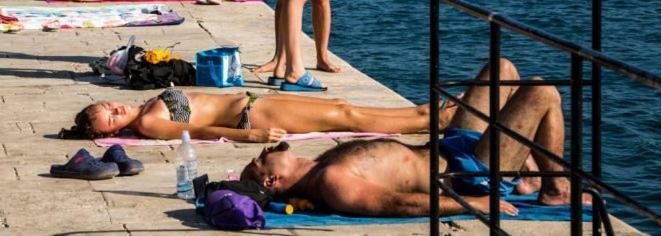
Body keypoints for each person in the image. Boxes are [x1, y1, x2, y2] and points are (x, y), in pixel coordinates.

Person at [241, 58, 591, 217]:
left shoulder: (321, 165)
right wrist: (475, 204)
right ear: (274, 179)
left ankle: (527, 178)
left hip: (449, 147)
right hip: (470, 174)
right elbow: (398, 204)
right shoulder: (332, 181)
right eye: (262, 159)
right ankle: (556, 190)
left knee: (502, 69)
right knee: (541, 91)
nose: (270, 148)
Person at [65, 89, 457, 143]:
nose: (115, 112)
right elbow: (198, 129)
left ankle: (424, 113)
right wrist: (247, 137)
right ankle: (428, 121)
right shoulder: (149, 122)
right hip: (252, 116)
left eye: (107, 108)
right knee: (346, 115)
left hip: (256, 100)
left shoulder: (145, 102)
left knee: (341, 107)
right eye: (111, 121)